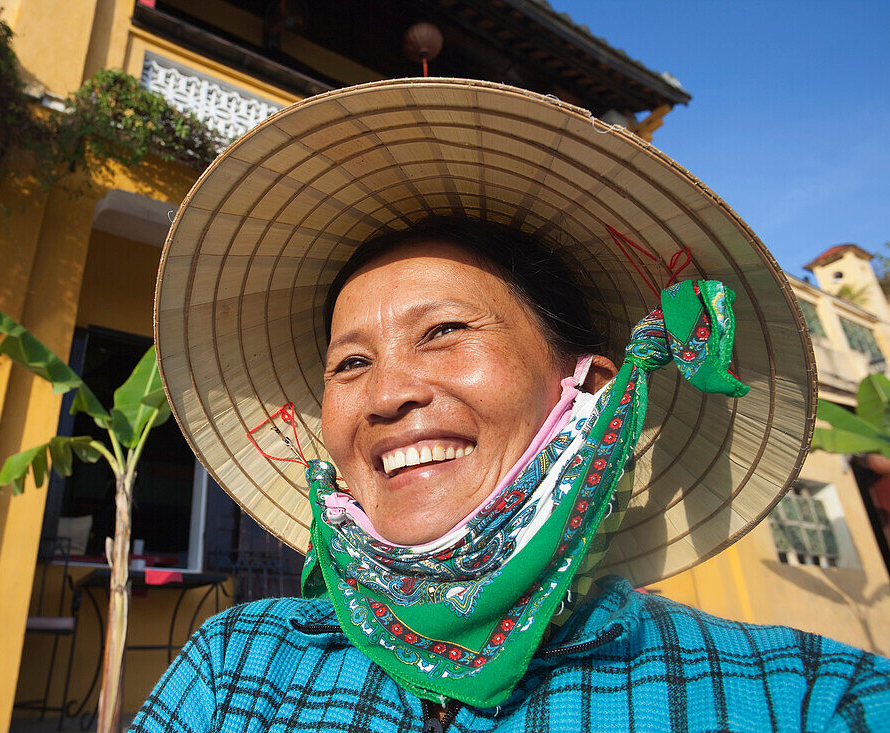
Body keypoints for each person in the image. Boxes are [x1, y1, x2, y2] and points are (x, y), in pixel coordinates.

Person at [135, 79, 890, 731]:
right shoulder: (237, 670)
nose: (388, 394)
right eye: (351, 362)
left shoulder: (796, 699)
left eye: (444, 330)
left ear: (592, 389)